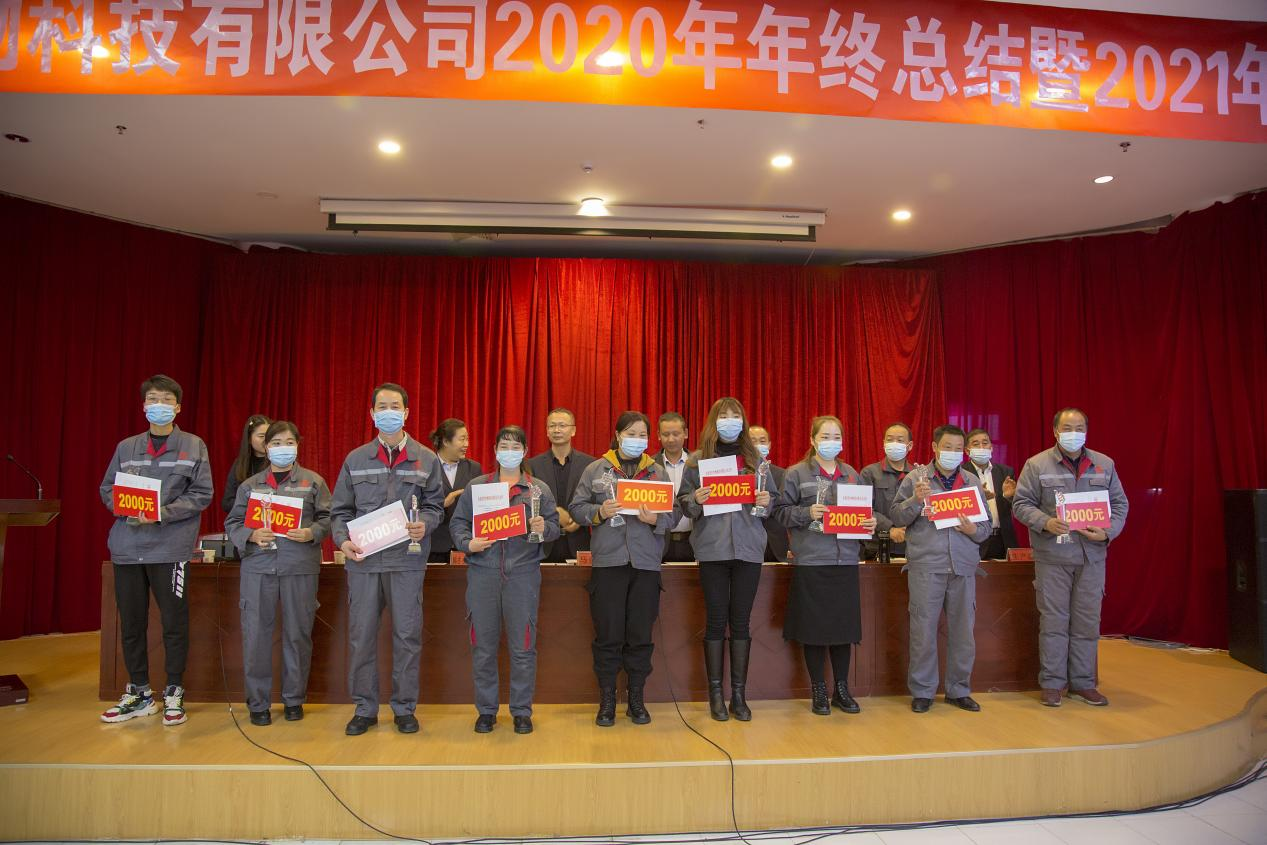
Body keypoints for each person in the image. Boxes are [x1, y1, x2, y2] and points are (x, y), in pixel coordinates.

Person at [97, 374, 213, 727]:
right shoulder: (126, 447)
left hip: (170, 548)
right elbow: (107, 488)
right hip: (128, 548)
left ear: (177, 407)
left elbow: (202, 494)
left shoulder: (193, 445)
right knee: (131, 623)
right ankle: (139, 693)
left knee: (173, 623)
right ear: (143, 406)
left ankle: (174, 691)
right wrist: (124, 506)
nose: (158, 405)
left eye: (166, 399)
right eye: (152, 399)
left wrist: (162, 512)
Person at [330, 382, 445, 736]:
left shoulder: (426, 458)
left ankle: (404, 709)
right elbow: (340, 511)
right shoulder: (355, 459)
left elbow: (435, 506)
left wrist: (425, 524)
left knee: (407, 636)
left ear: (406, 412)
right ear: (372, 413)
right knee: (361, 637)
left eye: (395, 406)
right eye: (382, 406)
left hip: (407, 561)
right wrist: (342, 540)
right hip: (364, 562)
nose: (389, 412)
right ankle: (364, 709)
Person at [1012, 408, 1129, 708]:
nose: (1073, 433)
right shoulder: (1037, 464)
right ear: (1055, 431)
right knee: (1054, 622)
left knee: (1087, 623)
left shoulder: (1104, 464)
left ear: (1086, 431)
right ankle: (1052, 683)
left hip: (1091, 557)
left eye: (1079, 428)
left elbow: (1119, 504)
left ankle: (1083, 683)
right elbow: (1021, 504)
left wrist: (1107, 532)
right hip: (1053, 556)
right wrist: (1045, 522)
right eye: (1067, 427)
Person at [450, 425, 560, 735]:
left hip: (523, 575)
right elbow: (458, 525)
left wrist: (543, 528)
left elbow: (555, 527)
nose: (509, 451)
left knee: (523, 646)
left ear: (524, 451)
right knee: (483, 647)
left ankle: (521, 711)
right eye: (504, 445)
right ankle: (486, 711)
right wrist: (468, 543)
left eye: (515, 446)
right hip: (482, 574)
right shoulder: (477, 487)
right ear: (495, 450)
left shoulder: (538, 489)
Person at [569, 411, 675, 727]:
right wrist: (599, 511)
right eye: (631, 434)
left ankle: (636, 699)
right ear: (617, 436)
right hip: (609, 564)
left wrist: (655, 519)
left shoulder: (656, 472)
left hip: (645, 565)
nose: (637, 440)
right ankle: (607, 701)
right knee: (608, 634)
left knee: (640, 634)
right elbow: (576, 508)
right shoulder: (596, 469)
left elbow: (673, 515)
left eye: (642, 435)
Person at [225, 420, 332, 725]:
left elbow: (329, 518)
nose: (282, 448)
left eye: (289, 442)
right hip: (258, 568)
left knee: (298, 635)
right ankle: (258, 703)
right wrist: (251, 534)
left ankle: (294, 700)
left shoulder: (313, 482)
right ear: (266, 447)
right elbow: (233, 522)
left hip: (299, 567)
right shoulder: (250, 486)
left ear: (298, 445)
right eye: (276, 443)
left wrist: (311, 532)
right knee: (256, 636)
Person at [677, 398, 776, 722]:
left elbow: (770, 504)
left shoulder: (756, 460)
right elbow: (684, 503)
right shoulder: (697, 460)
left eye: (735, 416)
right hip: (712, 550)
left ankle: (739, 695)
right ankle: (716, 695)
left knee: (742, 621)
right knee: (716, 620)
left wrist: (765, 500)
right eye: (724, 416)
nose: (730, 421)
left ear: (743, 421)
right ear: (713, 421)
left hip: (748, 549)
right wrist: (696, 498)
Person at [772, 415, 879, 716]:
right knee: (814, 629)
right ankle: (818, 688)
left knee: (844, 629)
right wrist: (806, 513)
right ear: (812, 440)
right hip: (812, 561)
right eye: (825, 436)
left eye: (836, 437)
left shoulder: (851, 474)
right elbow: (780, 513)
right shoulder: (796, 473)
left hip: (845, 561)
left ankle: (841, 689)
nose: (831, 442)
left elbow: (862, 513)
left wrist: (869, 523)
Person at [889, 424, 993, 714]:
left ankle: (959, 690)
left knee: (963, 633)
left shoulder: (971, 481)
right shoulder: (916, 478)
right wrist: (916, 500)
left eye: (958, 449)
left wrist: (973, 530)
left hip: (963, 567)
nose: (952, 453)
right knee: (923, 632)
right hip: (926, 566)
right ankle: (923, 691)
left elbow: (985, 528)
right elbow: (896, 515)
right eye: (947, 447)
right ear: (935, 447)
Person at [526, 408, 595, 563]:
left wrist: (581, 518)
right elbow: (526, 502)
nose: (557, 430)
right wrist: (555, 513)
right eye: (552, 426)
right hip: (543, 545)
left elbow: (596, 501)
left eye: (562, 425)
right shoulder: (532, 465)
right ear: (547, 431)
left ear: (573, 431)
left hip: (579, 543)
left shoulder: (590, 464)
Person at [859, 422, 918, 561]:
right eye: (890, 440)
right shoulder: (869, 473)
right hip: (876, 547)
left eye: (900, 440)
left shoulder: (917, 475)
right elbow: (863, 509)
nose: (894, 444)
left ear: (909, 445)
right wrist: (890, 529)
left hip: (910, 548)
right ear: (884, 443)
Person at [428, 418, 482, 563]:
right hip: (434, 546)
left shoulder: (474, 468)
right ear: (446, 441)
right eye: (462, 439)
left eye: (467, 439)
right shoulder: (427, 467)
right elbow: (416, 506)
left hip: (466, 545)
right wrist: (442, 504)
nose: (466, 444)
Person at [962, 428, 1019, 560]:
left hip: (1002, 539)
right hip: (973, 540)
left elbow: (1018, 508)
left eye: (985, 443)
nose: (981, 447)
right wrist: (978, 498)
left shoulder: (1005, 471)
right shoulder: (961, 473)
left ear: (991, 447)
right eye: (976, 444)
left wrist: (1009, 497)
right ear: (967, 451)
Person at [653, 412, 695, 563]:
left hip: (694, 541)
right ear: (658, 435)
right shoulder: (649, 466)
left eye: (676, 434)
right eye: (666, 434)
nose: (671, 439)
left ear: (686, 433)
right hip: (659, 542)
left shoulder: (698, 464)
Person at [748, 425, 789, 562]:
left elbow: (783, 507)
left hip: (774, 544)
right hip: (747, 540)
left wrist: (768, 503)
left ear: (769, 445)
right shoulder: (740, 473)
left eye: (762, 441)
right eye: (753, 441)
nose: (758, 445)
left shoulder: (782, 474)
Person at [221, 415, 271, 515]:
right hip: (246, 520)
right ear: (249, 439)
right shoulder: (240, 464)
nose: (266, 440)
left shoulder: (279, 462)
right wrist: (253, 508)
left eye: (269, 436)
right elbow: (227, 502)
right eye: (261, 436)